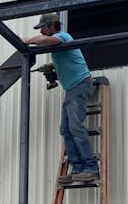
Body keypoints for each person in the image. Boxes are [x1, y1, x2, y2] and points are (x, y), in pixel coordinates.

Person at [23, 11, 99, 185]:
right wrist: (52, 72)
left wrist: (27, 40)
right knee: (65, 129)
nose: (41, 31)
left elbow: (43, 41)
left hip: (80, 86)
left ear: (51, 26)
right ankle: (78, 168)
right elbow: (67, 66)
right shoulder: (56, 46)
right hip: (72, 88)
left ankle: (91, 168)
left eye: (42, 27)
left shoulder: (63, 36)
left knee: (75, 127)